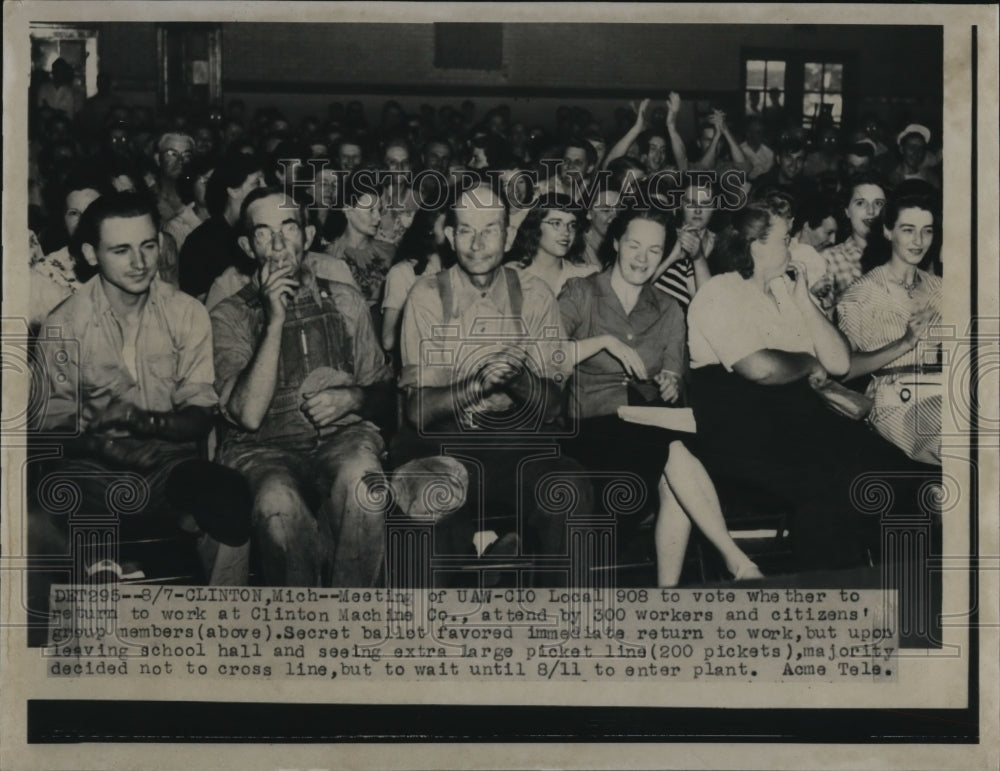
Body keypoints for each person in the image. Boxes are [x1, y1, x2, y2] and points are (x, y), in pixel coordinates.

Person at [686, 195, 934, 572]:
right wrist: (806, 361)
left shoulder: (785, 293)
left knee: (898, 468)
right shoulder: (719, 292)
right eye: (786, 240)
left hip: (797, 423)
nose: (794, 248)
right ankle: (838, 590)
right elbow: (760, 369)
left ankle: (903, 583)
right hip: (745, 432)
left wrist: (802, 299)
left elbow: (838, 362)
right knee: (837, 488)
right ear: (754, 244)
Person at [29, 192, 252, 585]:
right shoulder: (63, 324)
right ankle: (103, 587)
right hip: (91, 475)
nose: (140, 262)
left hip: (166, 466)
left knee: (228, 494)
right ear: (91, 254)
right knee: (59, 503)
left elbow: (200, 416)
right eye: (121, 250)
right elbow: (50, 433)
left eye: (148, 245)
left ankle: (222, 616)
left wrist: (140, 420)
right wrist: (102, 444)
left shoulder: (187, 312)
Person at [393, 182, 592, 576]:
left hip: (519, 447)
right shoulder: (426, 295)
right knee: (431, 496)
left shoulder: (534, 295)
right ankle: (462, 594)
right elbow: (417, 411)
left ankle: (564, 624)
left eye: (490, 229)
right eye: (467, 230)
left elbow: (554, 407)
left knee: (570, 486)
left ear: (508, 235)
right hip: (444, 448)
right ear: (450, 237)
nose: (478, 243)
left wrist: (515, 379)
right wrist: (478, 384)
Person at [558, 206, 762, 585]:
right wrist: (604, 342)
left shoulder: (668, 308)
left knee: (673, 461)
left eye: (654, 250)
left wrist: (671, 380)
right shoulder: (582, 292)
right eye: (634, 245)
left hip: (647, 426)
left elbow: (675, 377)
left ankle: (672, 592)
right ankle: (734, 560)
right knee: (673, 452)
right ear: (616, 242)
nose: (642, 258)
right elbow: (544, 355)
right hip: (587, 429)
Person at [209, 187, 396, 586]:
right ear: (246, 245)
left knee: (365, 482)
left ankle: (351, 617)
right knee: (277, 507)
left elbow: (386, 393)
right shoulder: (229, 316)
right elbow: (248, 414)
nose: (278, 245)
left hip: (341, 440)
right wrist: (273, 320)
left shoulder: (345, 301)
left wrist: (355, 397)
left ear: (308, 236)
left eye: (288, 228)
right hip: (262, 451)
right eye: (263, 233)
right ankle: (301, 623)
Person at [838, 193, 942, 464]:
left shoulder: (941, 289)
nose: (919, 241)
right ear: (887, 231)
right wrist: (904, 343)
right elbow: (844, 369)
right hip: (895, 398)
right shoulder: (861, 293)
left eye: (926, 231)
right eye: (908, 230)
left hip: (943, 389)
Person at [179, 153, 265, 302]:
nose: (265, 187)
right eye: (257, 183)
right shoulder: (201, 243)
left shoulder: (260, 232)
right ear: (233, 191)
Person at [320, 169, 396, 311]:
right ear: (348, 210)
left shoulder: (390, 252)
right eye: (371, 211)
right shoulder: (329, 257)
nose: (378, 218)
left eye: (379, 210)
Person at [381, 205, 451, 353]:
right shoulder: (402, 273)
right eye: (448, 224)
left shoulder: (453, 269)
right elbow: (388, 341)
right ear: (429, 227)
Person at [507, 193, 597, 297]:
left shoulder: (587, 274)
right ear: (536, 226)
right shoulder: (514, 274)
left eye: (572, 225)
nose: (566, 232)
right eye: (556, 223)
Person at [651, 179, 717, 310]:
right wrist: (672, 257)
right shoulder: (663, 236)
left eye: (705, 204)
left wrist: (699, 258)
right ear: (681, 204)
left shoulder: (723, 246)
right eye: (691, 203)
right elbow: (635, 285)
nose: (698, 210)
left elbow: (713, 307)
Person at [823, 174, 887, 305]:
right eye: (861, 203)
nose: (871, 211)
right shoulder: (829, 259)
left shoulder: (900, 253)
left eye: (878, 203)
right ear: (847, 211)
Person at [603, 95, 688, 176]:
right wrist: (636, 129)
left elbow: (683, 167)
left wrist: (671, 127)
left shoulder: (668, 175)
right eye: (653, 148)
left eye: (662, 150)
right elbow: (609, 165)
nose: (658, 155)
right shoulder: (635, 173)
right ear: (643, 155)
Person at [153, 132, 195, 222]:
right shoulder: (148, 198)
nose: (180, 161)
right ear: (158, 159)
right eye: (172, 153)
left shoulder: (198, 200)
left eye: (186, 155)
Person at [887, 124, 941, 190]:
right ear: (901, 149)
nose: (916, 152)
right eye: (911, 147)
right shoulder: (890, 180)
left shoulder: (931, 179)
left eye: (920, 148)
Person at [580, 186, 621, 268]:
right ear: (589, 213)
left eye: (619, 209)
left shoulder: (620, 246)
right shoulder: (577, 251)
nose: (615, 216)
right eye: (606, 210)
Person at [739, 117, 775, 181]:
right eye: (758, 132)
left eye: (762, 132)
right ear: (748, 134)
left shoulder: (769, 152)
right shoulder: (739, 151)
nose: (761, 135)